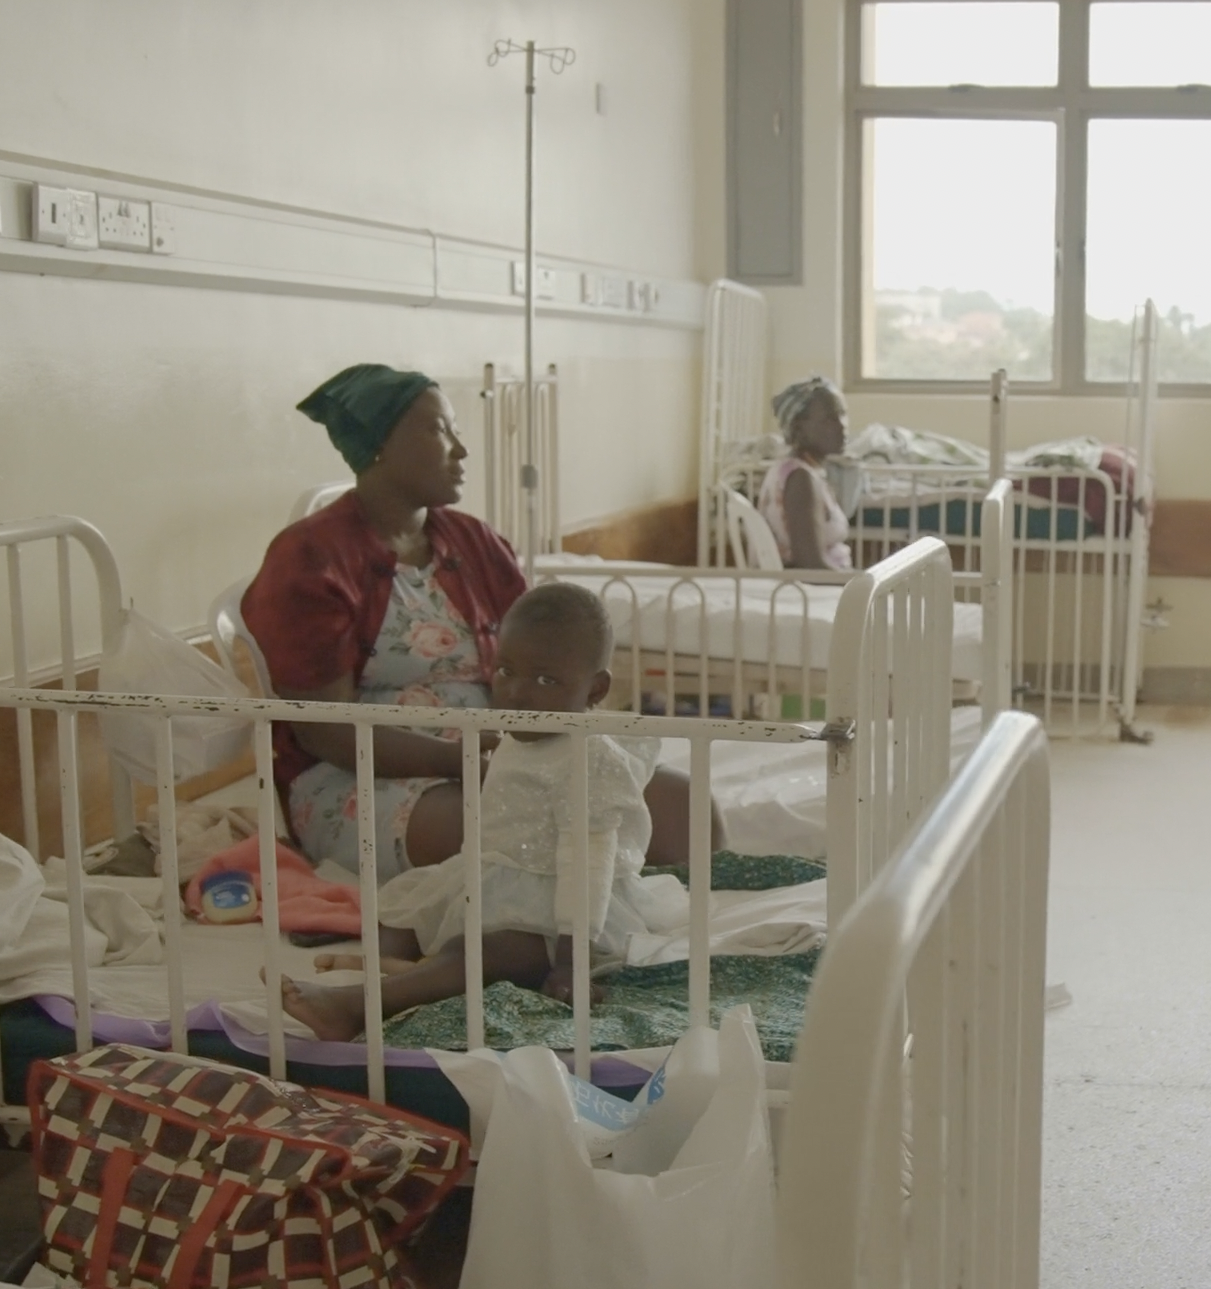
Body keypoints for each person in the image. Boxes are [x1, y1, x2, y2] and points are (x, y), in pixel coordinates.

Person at [281, 582, 718, 1042]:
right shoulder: (523, 729)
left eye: (546, 680)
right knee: (403, 908)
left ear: (596, 688)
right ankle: (411, 974)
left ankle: (361, 1005)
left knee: (493, 952)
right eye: (506, 670)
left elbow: (588, 862)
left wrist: (571, 964)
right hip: (496, 875)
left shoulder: (590, 758)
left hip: (567, 907)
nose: (517, 693)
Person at [243, 365, 526, 881]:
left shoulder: (475, 542)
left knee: (678, 805)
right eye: (439, 430)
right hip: (359, 779)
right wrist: (458, 761)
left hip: (490, 760)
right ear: (379, 444)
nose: (460, 450)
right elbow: (326, 733)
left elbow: (533, 661)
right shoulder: (309, 557)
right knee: (527, 826)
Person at [756, 376, 855, 571]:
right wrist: (864, 586)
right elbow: (811, 566)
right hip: (814, 593)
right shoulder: (800, 479)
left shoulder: (805, 472)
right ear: (799, 427)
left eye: (843, 415)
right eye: (829, 418)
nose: (842, 425)